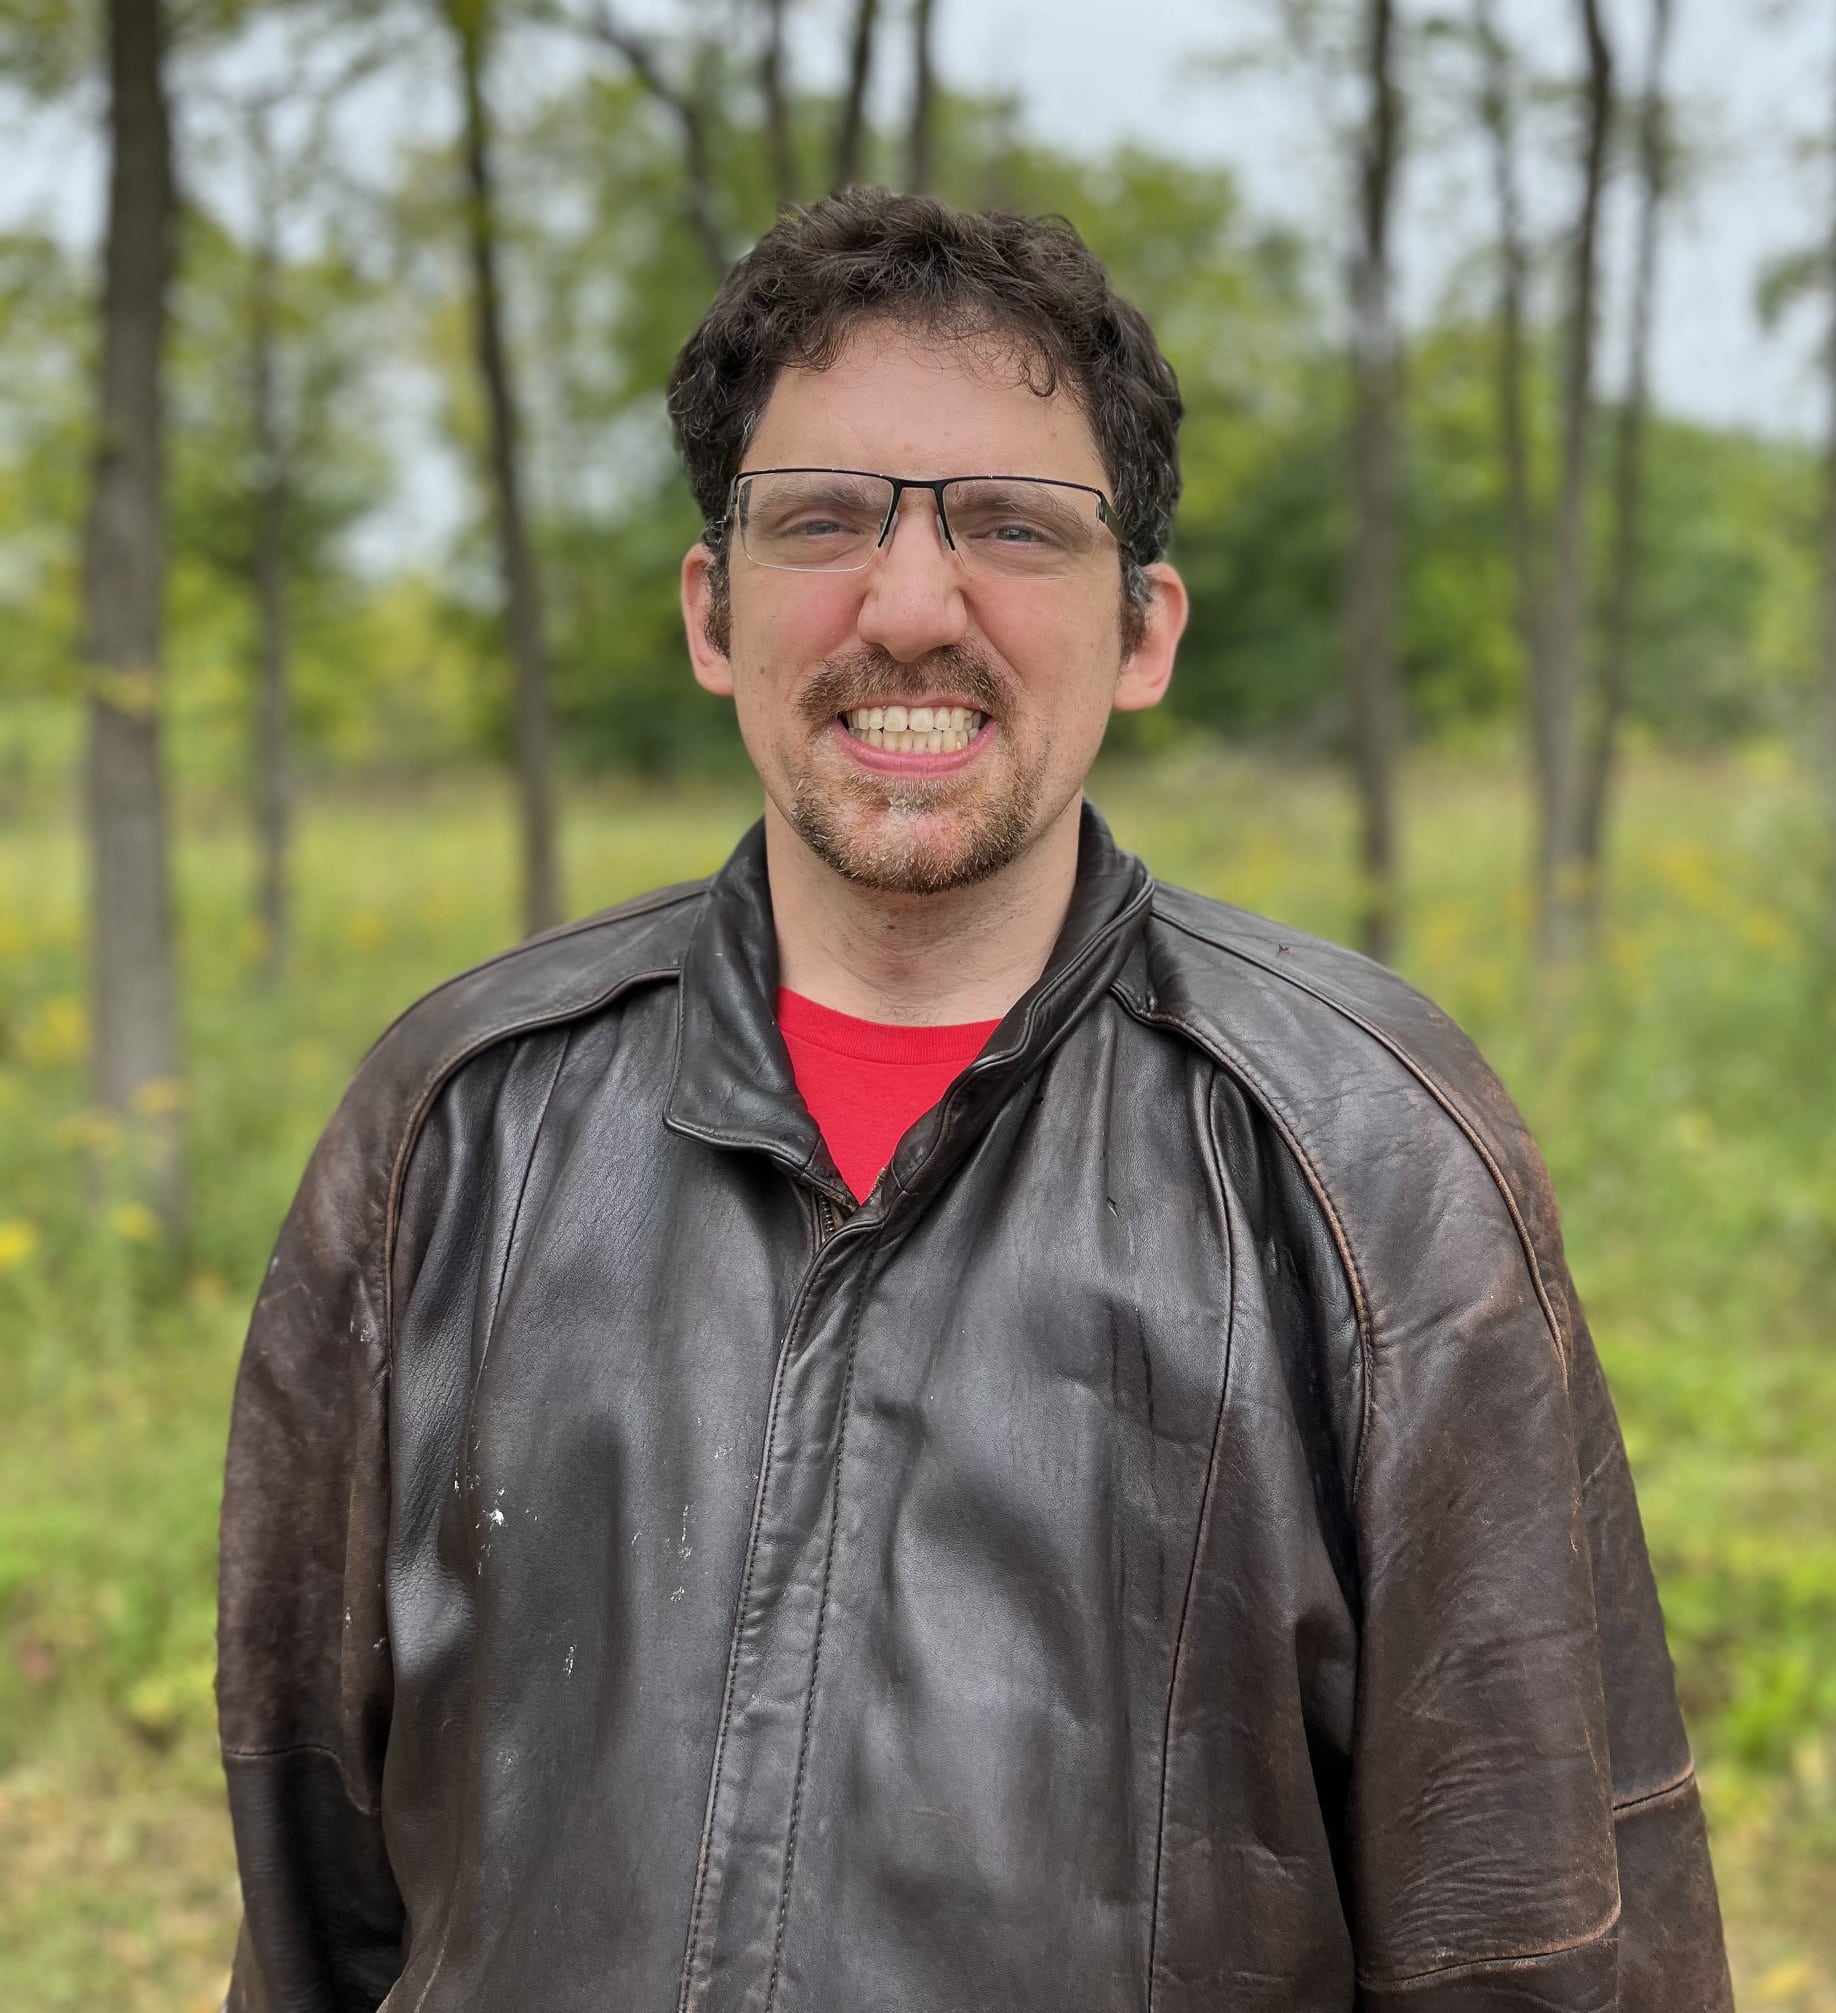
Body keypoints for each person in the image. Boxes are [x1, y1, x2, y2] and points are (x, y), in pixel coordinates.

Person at [216, 191, 1733, 2012]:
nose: (913, 605)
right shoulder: (454, 1128)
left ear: (1146, 628)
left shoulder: (1370, 1161)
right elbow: (312, 1898)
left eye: (1013, 525)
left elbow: (1540, 1935)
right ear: (715, 608)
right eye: (822, 519)